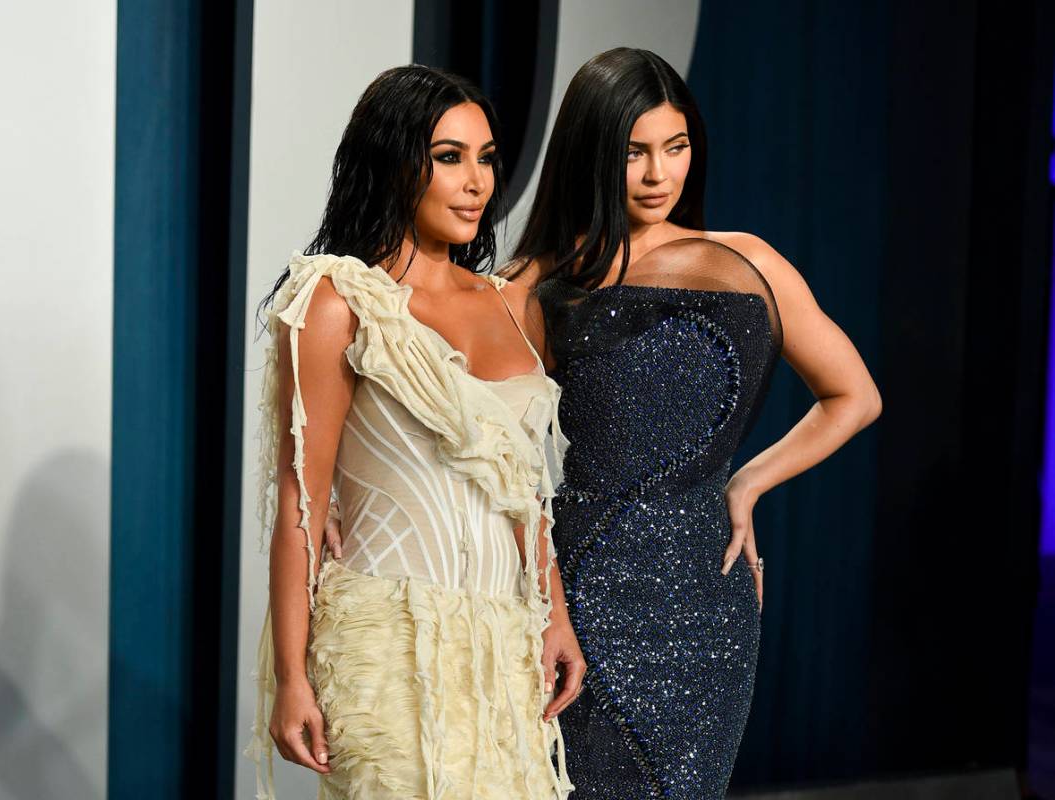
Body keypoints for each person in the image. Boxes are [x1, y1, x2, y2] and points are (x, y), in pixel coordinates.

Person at [504, 47, 882, 798]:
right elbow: (491, 449)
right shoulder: (541, 283)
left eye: (675, 148)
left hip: (709, 598)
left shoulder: (752, 261)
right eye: (634, 152)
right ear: (590, 154)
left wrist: (745, 483)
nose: (657, 174)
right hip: (580, 592)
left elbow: (854, 396)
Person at [246, 65, 583, 800]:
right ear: (397, 161)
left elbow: (522, 488)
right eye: (449, 157)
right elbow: (302, 500)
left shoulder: (510, 305)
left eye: (487, 158)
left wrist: (556, 616)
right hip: (385, 642)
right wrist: (293, 676)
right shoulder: (337, 299)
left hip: (506, 648)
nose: (477, 182)